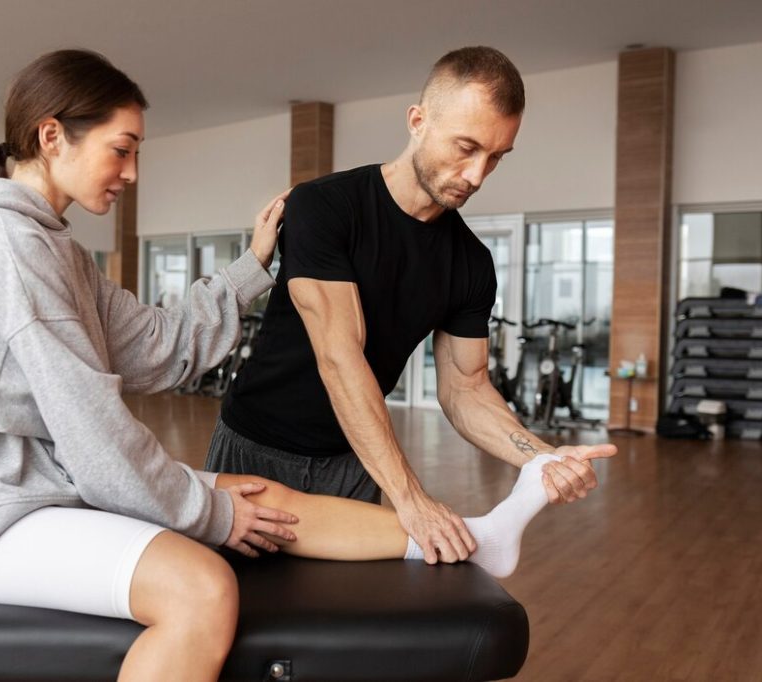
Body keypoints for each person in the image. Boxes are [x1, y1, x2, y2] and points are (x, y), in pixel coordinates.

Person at [0, 49, 610, 682]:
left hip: (44, 486)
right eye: (122, 149)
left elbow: (154, 347)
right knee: (204, 585)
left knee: (259, 500)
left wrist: (249, 268)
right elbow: (97, 428)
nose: (132, 173)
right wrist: (214, 509)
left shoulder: (55, 250)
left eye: (496, 158)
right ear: (52, 137)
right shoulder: (8, 248)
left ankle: (483, 534)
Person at [206, 46, 618, 565]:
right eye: (466, 147)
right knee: (236, 601)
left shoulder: (471, 263)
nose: (477, 175)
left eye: (496, 157)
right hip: (256, 450)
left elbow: (466, 388)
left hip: (356, 462)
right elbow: (339, 356)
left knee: (337, 611)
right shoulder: (324, 207)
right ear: (418, 121)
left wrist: (542, 457)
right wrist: (410, 497)